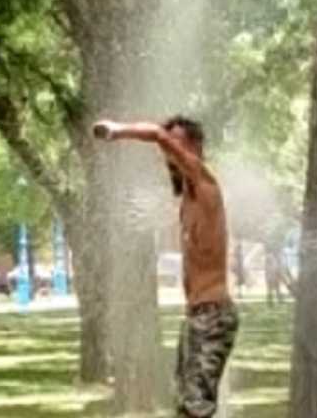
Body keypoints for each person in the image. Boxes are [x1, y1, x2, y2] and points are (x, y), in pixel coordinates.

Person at [93, 116, 238, 418]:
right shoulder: (186, 199)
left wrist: (118, 131)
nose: (171, 152)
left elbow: (158, 134)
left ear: (196, 148)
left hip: (213, 315)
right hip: (197, 316)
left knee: (195, 407)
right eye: (170, 148)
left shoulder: (206, 184)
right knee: (185, 406)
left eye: (179, 145)